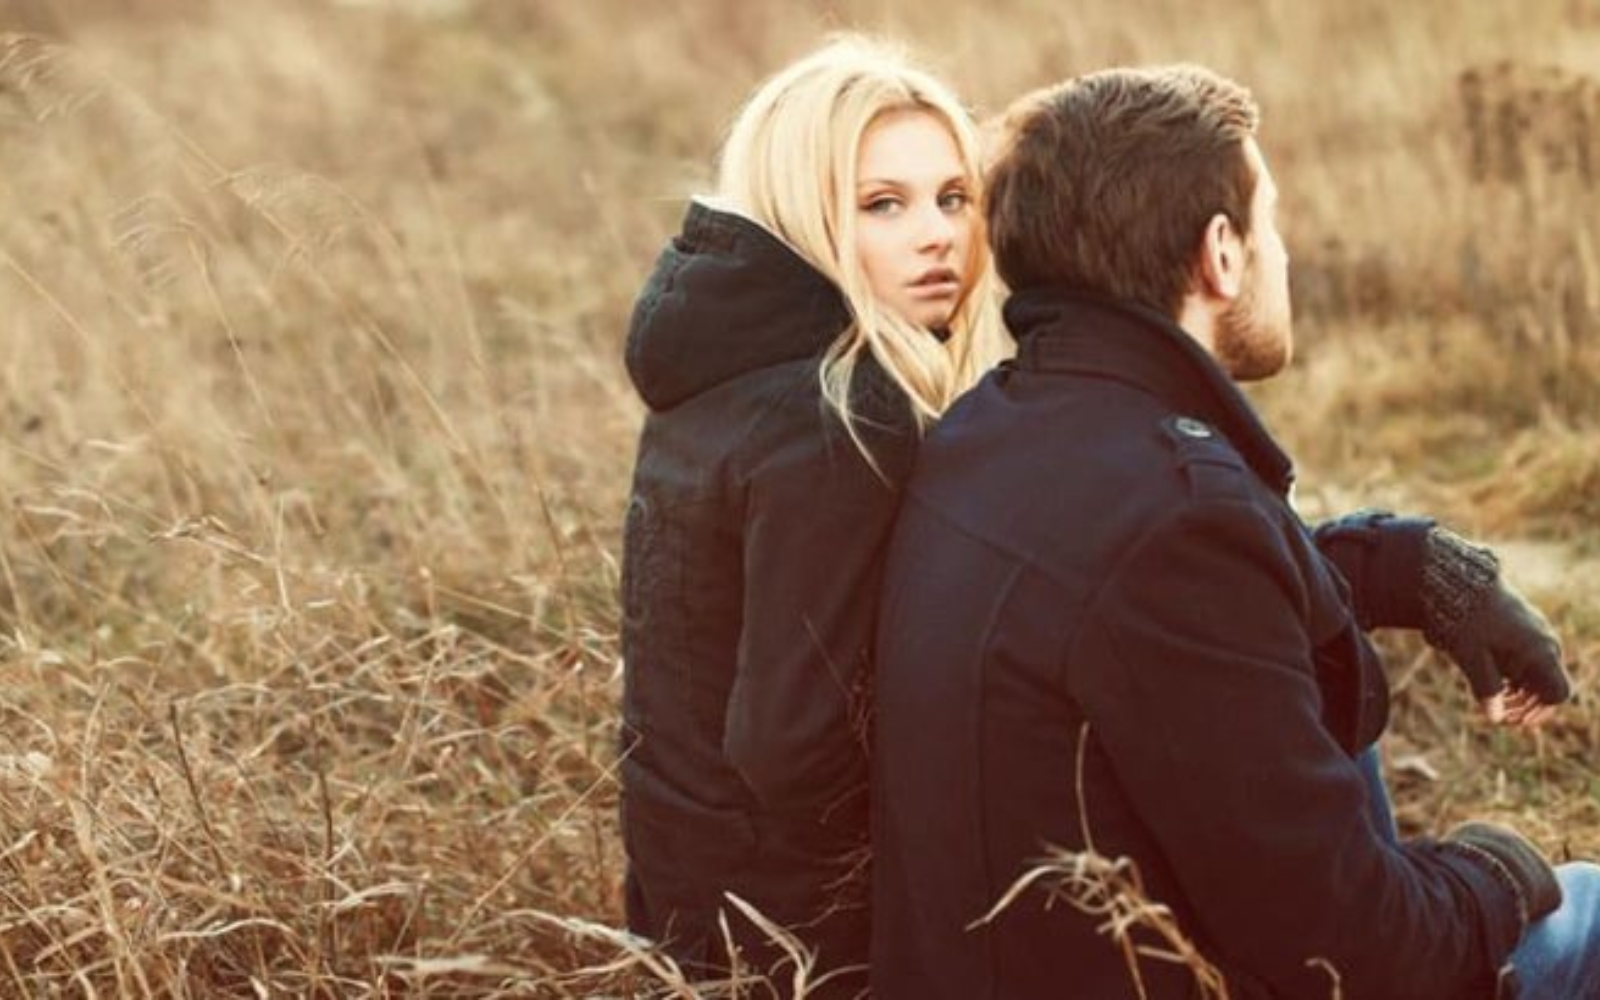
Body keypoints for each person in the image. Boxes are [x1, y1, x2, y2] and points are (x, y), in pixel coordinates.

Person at [871, 64, 1598, 999]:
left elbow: (1178, 614)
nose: (1281, 255)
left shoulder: (996, 431)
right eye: (1273, 224)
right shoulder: (1177, 525)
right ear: (1221, 253)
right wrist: (1499, 872)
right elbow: (1366, 954)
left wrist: (1412, 567)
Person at [617, 35, 1008, 995]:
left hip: (688, 894)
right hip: (805, 933)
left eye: (953, 198)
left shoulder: (718, 366)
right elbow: (793, 742)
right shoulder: (842, 408)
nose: (938, 237)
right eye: (883, 204)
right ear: (804, 210)